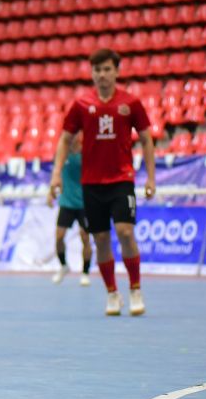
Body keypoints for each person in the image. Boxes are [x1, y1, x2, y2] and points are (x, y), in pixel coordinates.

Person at [50, 48, 155, 316]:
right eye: (97, 70)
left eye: (107, 69)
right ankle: (112, 293)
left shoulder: (131, 103)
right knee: (100, 239)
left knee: (125, 232)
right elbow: (64, 139)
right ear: (92, 73)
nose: (102, 75)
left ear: (116, 72)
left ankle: (135, 288)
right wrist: (55, 174)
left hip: (121, 179)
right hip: (91, 183)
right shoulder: (81, 105)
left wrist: (151, 177)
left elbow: (145, 138)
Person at [48, 133, 92, 286]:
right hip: (66, 202)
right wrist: (50, 192)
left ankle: (85, 272)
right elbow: (56, 173)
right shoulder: (62, 153)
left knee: (85, 238)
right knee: (59, 237)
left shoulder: (86, 153)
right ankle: (63, 266)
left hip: (84, 203)